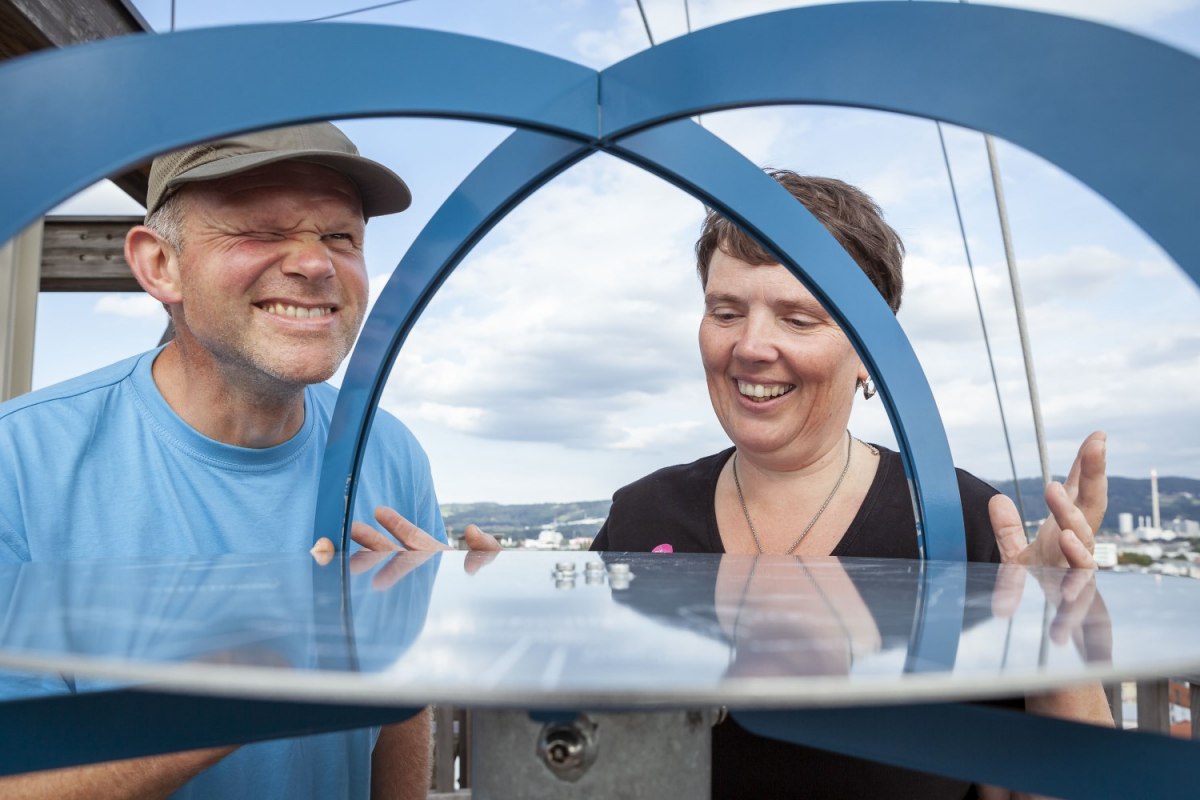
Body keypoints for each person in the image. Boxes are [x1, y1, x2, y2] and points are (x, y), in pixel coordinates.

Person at [367, 171, 1112, 798]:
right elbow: (577, 743)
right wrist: (484, 618)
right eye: (726, 311)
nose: (751, 346)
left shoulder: (965, 523)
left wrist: (1055, 640)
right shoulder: (643, 515)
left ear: (872, 351)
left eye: (798, 318)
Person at [0, 123, 446, 799]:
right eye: (261, 230)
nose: (316, 264)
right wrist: (243, 686)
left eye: (340, 236)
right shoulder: (19, 463)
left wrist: (447, 625)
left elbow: (403, 697)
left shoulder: (388, 450)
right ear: (160, 265)